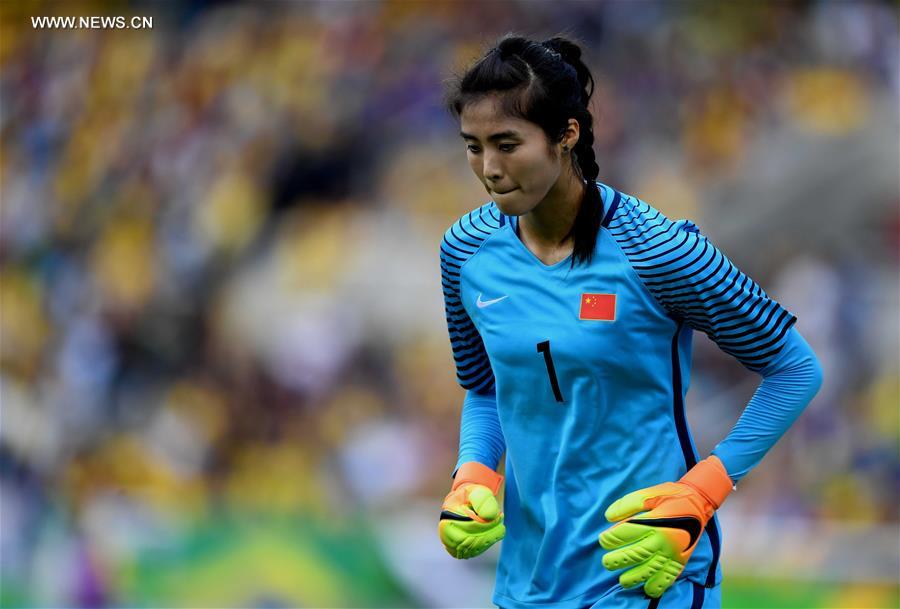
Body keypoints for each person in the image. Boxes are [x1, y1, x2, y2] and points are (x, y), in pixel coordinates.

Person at [436, 34, 823, 609]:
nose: (488, 169)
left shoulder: (658, 250)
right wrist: (471, 472)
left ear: (567, 134)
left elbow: (795, 369)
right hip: (527, 584)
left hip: (646, 575)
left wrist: (702, 493)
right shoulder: (465, 251)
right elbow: (486, 389)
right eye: (473, 147)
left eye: (507, 144)